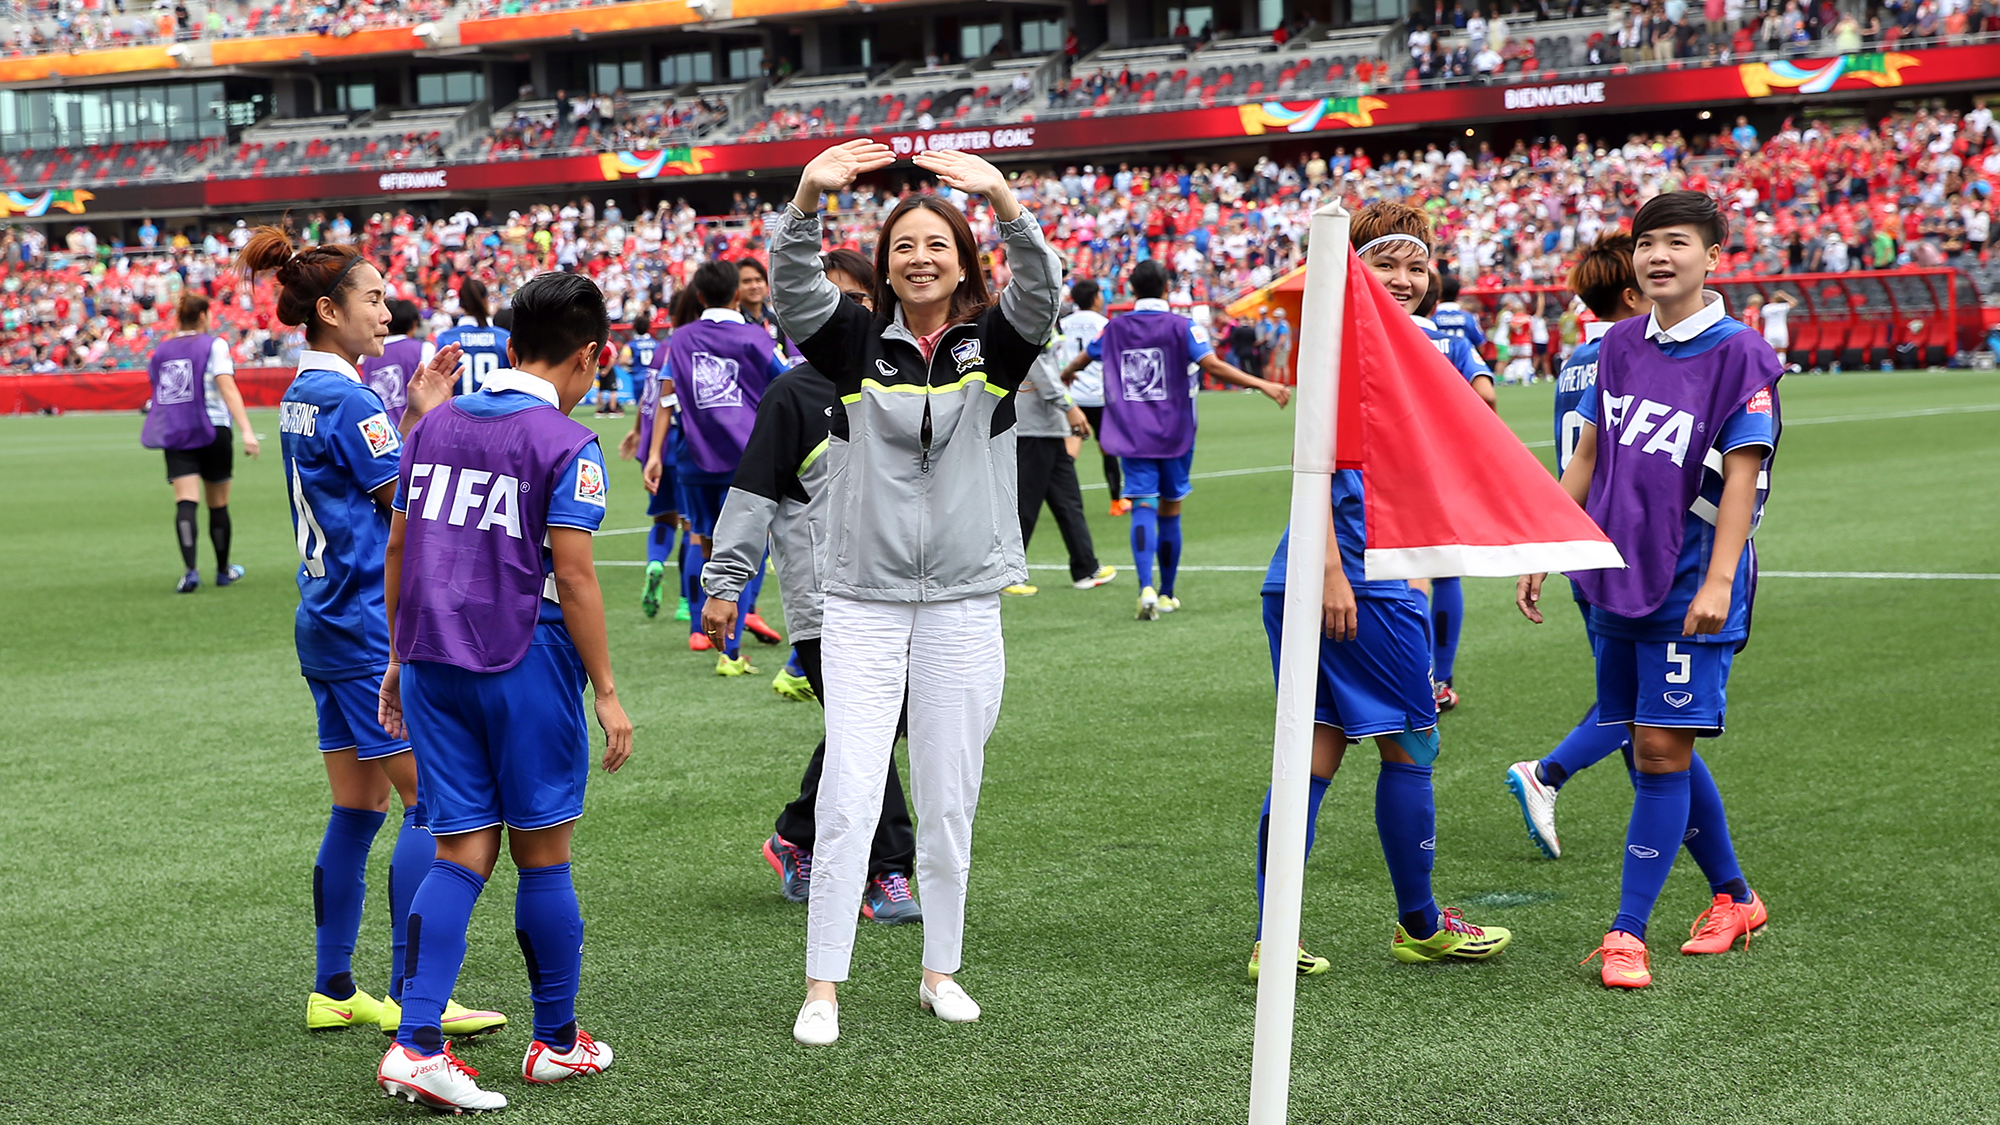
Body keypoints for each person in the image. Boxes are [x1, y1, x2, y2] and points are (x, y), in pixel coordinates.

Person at [770, 139, 1061, 1046]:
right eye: (904, 246)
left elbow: (1042, 296)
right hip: (861, 599)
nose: (920, 257)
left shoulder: (996, 345)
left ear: (964, 258)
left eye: (938, 243)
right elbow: (792, 290)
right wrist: (810, 197)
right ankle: (823, 987)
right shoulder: (853, 338)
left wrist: (1006, 201)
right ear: (887, 264)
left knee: (948, 795)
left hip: (965, 602)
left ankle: (942, 970)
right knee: (851, 791)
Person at [375, 272, 633, 1110]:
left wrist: (393, 659)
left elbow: (400, 547)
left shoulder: (435, 421)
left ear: (511, 344)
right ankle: (556, 1041)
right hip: (526, 660)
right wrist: (606, 688)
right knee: (543, 855)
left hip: (431, 662)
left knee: (462, 852)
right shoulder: (568, 443)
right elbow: (576, 574)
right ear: (590, 355)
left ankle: (416, 1044)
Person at [240, 228, 504, 1042]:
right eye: (373, 298)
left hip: (321, 618)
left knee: (356, 808)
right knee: (435, 803)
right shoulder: (353, 401)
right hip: (360, 625)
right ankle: (411, 990)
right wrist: (425, 419)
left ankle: (334, 986)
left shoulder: (301, 391)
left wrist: (408, 416)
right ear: (327, 310)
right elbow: (412, 503)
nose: (387, 311)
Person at [1516, 191, 1777, 990]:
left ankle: (1626, 932)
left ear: (1711, 255)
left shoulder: (1741, 353)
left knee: (1660, 750)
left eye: (1676, 243)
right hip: (1612, 574)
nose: (1659, 257)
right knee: (1644, 740)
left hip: (1689, 579)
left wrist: (1720, 579)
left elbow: (1742, 478)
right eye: (1647, 245)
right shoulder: (1620, 345)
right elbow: (1589, 456)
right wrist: (1547, 540)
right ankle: (1736, 897)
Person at [1247, 203, 1512, 982]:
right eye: (1386, 261)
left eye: (1416, 265)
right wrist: (1332, 568)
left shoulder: (1396, 344)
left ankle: (1275, 934)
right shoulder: (1344, 339)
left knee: (1312, 754)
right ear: (1351, 263)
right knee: (1412, 748)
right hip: (1355, 577)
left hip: (1318, 572)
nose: (1404, 278)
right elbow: (1316, 462)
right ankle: (1420, 925)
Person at [703, 246, 923, 924]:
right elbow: (751, 494)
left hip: (902, 592)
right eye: (828, 299)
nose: (842, 313)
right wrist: (725, 582)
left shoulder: (900, 380)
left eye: (856, 300)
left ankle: (796, 832)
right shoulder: (791, 393)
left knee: (886, 723)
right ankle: (888, 870)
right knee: (870, 726)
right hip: (826, 602)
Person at [1504, 232, 1648, 860]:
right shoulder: (1633, 354)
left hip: (1579, 536)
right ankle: (1549, 773)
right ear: (1630, 291)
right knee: (1637, 698)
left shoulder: (1575, 362)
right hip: (1625, 545)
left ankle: (1655, 809)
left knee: (1627, 692)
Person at [1060, 259, 1290, 621]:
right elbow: (1211, 365)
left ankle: (1144, 588)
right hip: (1175, 432)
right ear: (1167, 289)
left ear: (1132, 291)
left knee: (1142, 505)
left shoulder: (1115, 327)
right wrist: (1262, 383)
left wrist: (1067, 374)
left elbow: (1085, 356)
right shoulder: (1184, 326)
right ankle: (1166, 593)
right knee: (1170, 507)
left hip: (1131, 431)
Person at [666, 258, 792, 675]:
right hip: (747, 457)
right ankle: (731, 650)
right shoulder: (754, 337)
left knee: (702, 541)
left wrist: (652, 453)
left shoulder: (678, 339)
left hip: (694, 457)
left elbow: (667, 396)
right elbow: (784, 382)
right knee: (747, 547)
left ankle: (702, 628)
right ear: (736, 293)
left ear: (698, 296)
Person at [1410, 259, 1496, 713]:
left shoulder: (1382, 335)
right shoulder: (1456, 341)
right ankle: (1439, 680)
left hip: (1391, 467)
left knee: (1406, 570)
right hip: (1443, 466)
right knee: (1443, 569)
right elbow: (1485, 395)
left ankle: (1412, 674)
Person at [141, 293, 257, 594]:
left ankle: (190, 571)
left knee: (186, 501)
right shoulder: (214, 345)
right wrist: (247, 430)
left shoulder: (162, 350)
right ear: (204, 316)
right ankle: (222, 570)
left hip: (177, 431)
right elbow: (227, 387)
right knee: (218, 503)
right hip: (213, 428)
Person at [1009, 318, 1116, 597]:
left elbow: (1044, 369)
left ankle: (1085, 567)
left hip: (1048, 428)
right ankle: (1008, 572)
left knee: (1068, 500)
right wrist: (1069, 406)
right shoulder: (1034, 320)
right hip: (1035, 428)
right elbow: (1038, 369)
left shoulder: (1042, 319)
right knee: (1025, 504)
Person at [617, 309, 688, 622]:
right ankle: (688, 601)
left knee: (663, 518)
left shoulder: (663, 348)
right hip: (683, 446)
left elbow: (651, 396)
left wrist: (637, 431)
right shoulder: (693, 348)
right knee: (693, 528)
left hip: (652, 447)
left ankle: (655, 563)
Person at [1055, 278, 1124, 515]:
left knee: (1070, 451)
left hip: (1072, 397)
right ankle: (1116, 502)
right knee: (1108, 450)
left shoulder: (1063, 324)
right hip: (1100, 397)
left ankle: (1063, 503)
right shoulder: (1106, 324)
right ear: (1096, 298)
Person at [360, 299, 435, 421]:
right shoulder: (424, 349)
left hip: (380, 431)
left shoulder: (368, 355)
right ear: (414, 324)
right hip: (413, 429)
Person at [433, 277, 512, 394]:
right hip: (497, 410)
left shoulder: (446, 339)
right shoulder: (504, 338)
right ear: (486, 300)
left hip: (457, 409)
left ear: (460, 303)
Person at [1431, 272, 1488, 354]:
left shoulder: (1431, 317)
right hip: (1463, 362)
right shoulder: (1469, 317)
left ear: (1438, 294)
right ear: (1458, 294)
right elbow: (1480, 346)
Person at [1760, 289, 1795, 365]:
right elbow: (1794, 302)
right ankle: (1780, 368)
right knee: (1782, 351)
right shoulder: (1782, 307)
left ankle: (1770, 367)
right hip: (1781, 332)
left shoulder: (1766, 308)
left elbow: (1762, 319)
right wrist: (1784, 295)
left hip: (1769, 332)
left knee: (1769, 350)